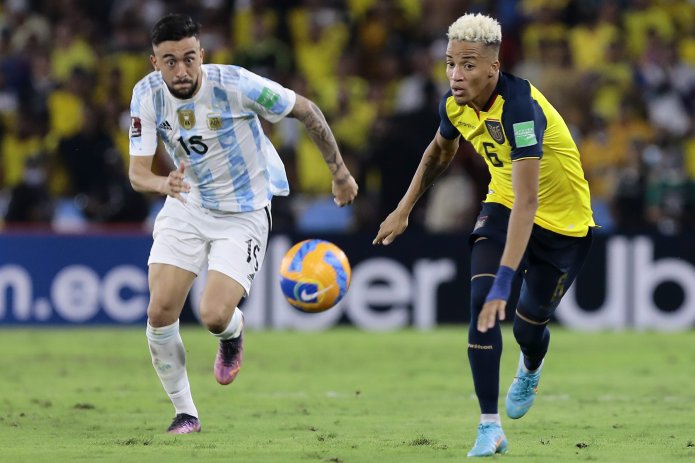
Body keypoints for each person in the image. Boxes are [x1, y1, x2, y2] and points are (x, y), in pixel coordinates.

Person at [373, 13, 594, 457]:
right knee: (481, 302)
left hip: (562, 225)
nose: (456, 75)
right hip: (502, 206)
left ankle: (531, 364)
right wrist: (403, 209)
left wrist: (506, 280)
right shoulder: (453, 105)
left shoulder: (521, 110)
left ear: (493, 67)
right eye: (450, 63)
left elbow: (530, 202)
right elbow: (440, 151)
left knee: (528, 326)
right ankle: (489, 426)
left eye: (468, 65)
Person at [128, 14, 358, 434]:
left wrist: (339, 172)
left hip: (244, 211)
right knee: (159, 311)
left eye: (189, 58)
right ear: (154, 63)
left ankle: (231, 333)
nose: (181, 70)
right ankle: (185, 413)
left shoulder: (235, 84)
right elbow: (137, 173)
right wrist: (164, 183)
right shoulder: (145, 95)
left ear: (202, 55)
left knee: (214, 314)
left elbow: (306, 110)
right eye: (170, 61)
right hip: (187, 201)